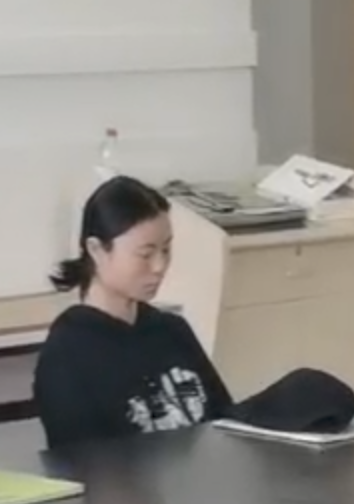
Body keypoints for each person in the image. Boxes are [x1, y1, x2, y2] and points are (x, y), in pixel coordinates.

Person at [34, 175, 233, 449]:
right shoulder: (68, 353)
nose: (159, 266)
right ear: (97, 250)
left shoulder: (172, 330)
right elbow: (81, 461)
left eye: (166, 249)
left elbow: (226, 424)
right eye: (145, 254)